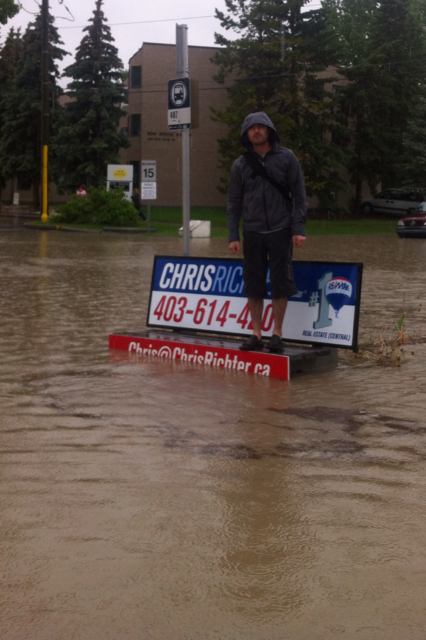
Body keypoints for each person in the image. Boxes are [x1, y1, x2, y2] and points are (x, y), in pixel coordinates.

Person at [227, 111, 307, 353]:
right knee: (253, 284)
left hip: (281, 229)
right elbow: (233, 202)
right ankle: (256, 333)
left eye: (261, 127)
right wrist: (233, 234)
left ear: (269, 130)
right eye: (252, 128)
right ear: (246, 133)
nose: (257, 131)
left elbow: (300, 196)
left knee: (281, 282)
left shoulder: (287, 158)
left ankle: (277, 334)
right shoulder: (240, 164)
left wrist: (299, 229)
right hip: (252, 231)